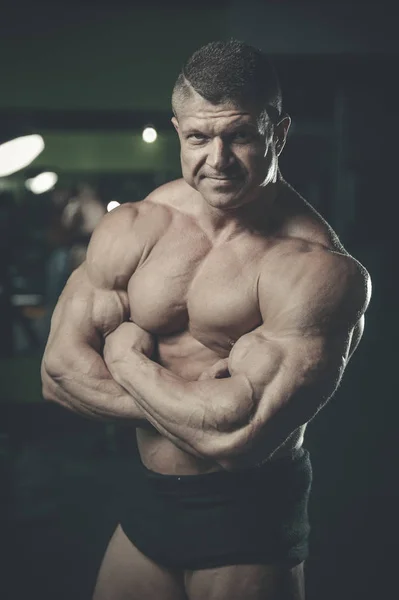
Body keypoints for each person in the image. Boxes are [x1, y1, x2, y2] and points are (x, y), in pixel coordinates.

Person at [41, 40, 371, 600]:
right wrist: (200, 407)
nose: (216, 160)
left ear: (278, 133)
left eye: (239, 135)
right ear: (177, 130)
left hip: (249, 525)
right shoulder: (141, 226)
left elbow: (239, 439)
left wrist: (125, 360)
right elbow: (58, 375)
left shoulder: (316, 269)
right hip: (147, 509)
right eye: (198, 137)